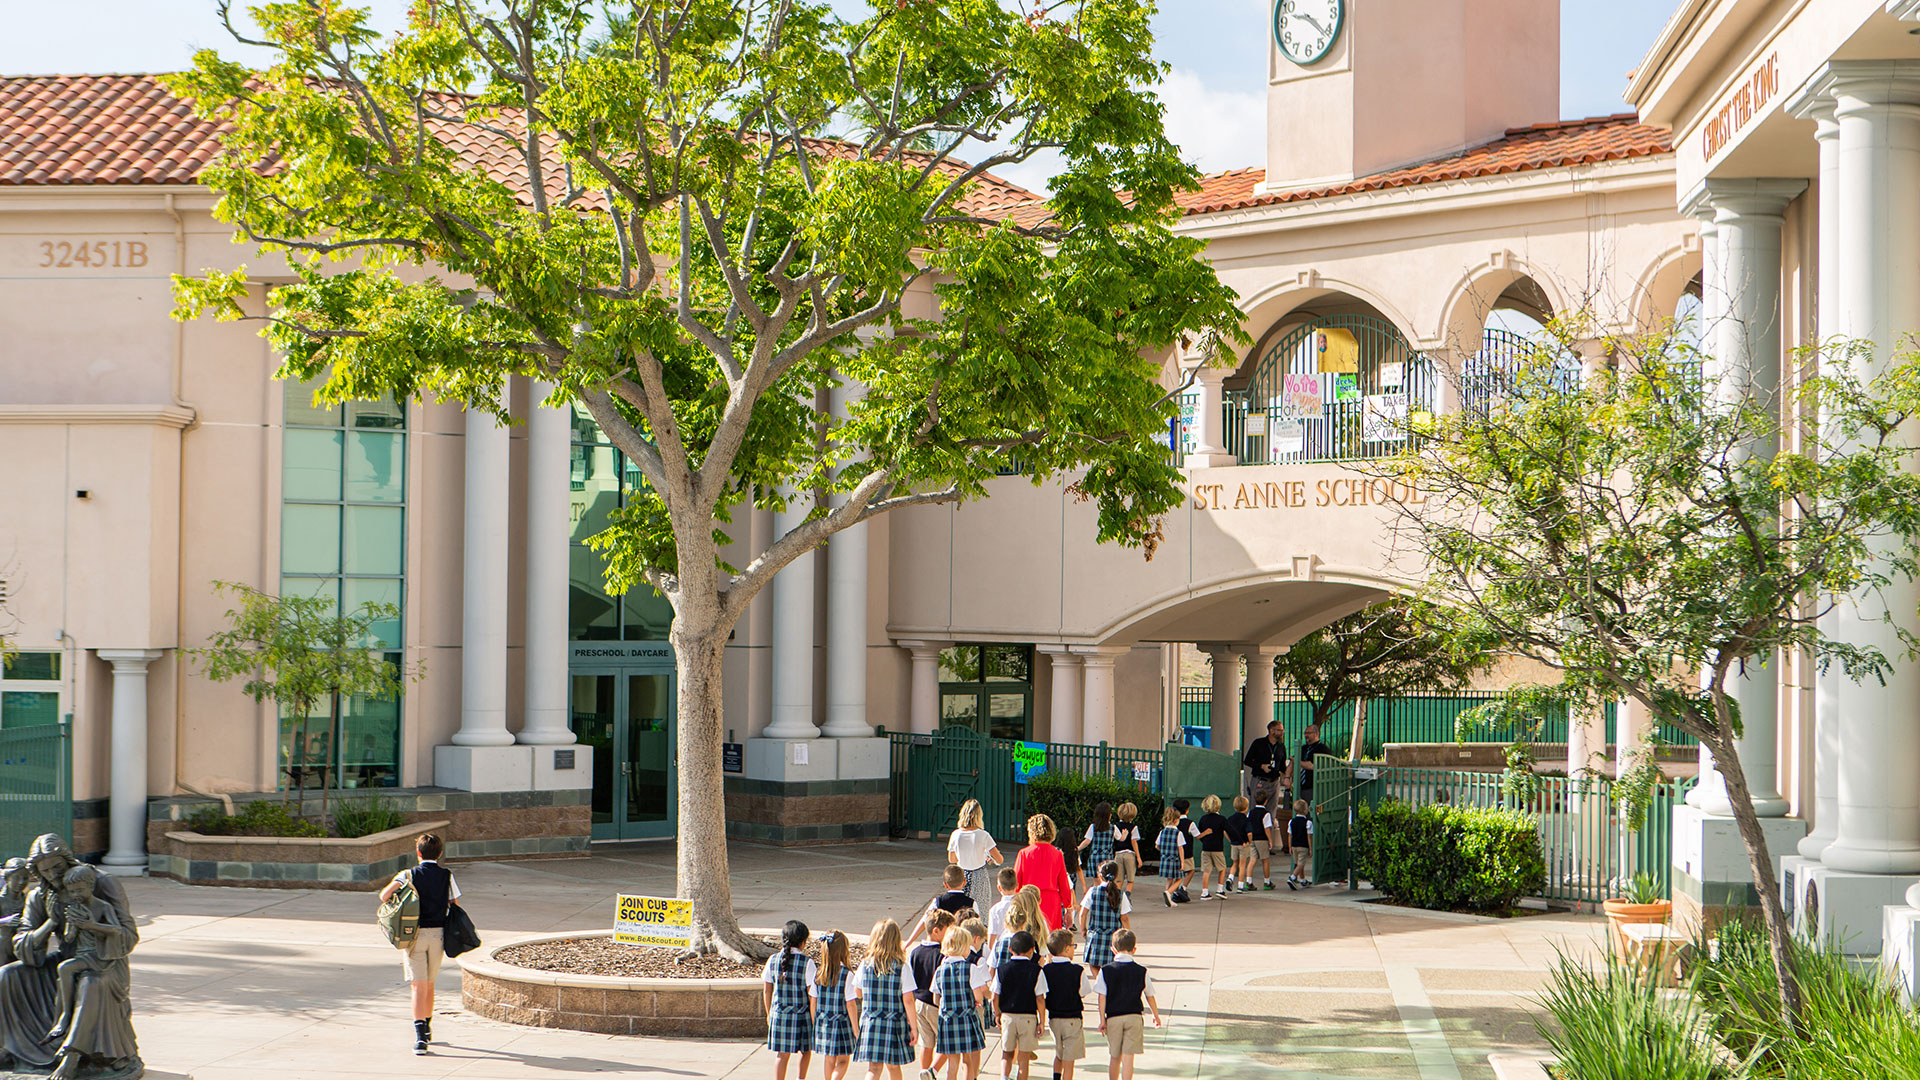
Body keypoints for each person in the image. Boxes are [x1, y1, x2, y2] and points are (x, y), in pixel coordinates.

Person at [41, 864, 136, 1080]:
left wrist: (92, 925)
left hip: (99, 957)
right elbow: (68, 938)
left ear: (91, 887)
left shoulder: (102, 907)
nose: (75, 895)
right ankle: (64, 1016)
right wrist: (69, 925)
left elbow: (116, 929)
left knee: (88, 982)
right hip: (82, 955)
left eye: (79, 890)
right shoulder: (74, 908)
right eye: (72, 892)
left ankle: (72, 1051)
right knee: (64, 968)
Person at [377, 832, 461, 1054]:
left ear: (418, 853)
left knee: (417, 985)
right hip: (439, 935)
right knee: (430, 984)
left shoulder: (408, 874)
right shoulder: (447, 875)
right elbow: (455, 903)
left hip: (414, 935)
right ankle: (428, 1027)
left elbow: (384, 896)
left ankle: (419, 1037)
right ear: (440, 853)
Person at [849, 918, 915, 1080]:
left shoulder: (865, 965)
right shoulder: (902, 967)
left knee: (874, 1068)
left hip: (871, 1022)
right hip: (894, 1023)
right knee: (893, 1066)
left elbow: (857, 992)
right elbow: (908, 1000)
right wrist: (914, 1027)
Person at [1093, 931, 1161, 1080]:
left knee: (1115, 1056)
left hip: (1113, 1018)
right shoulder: (1142, 971)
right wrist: (1156, 1015)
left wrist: (1102, 1019)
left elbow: (1102, 997)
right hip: (1134, 1017)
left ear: (1113, 949)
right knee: (1128, 1057)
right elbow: (1150, 995)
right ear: (1134, 950)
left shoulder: (1105, 970)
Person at [763, 920, 817, 1080]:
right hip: (802, 1016)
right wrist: (814, 1018)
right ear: (803, 942)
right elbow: (812, 994)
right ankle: (801, 1078)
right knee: (806, 1051)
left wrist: (768, 1013)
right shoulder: (807, 963)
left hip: (779, 1014)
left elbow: (767, 989)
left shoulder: (772, 960)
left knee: (782, 1054)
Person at [932, 927, 985, 1080]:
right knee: (967, 1059)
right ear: (963, 946)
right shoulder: (970, 969)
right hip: (966, 1019)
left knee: (952, 1060)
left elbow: (936, 998)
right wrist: (977, 1002)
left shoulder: (940, 970)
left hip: (948, 1020)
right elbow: (978, 995)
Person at [908, 910, 955, 1076]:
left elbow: (911, 981)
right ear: (936, 931)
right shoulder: (942, 955)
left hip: (919, 1003)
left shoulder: (915, 952)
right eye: (949, 930)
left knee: (926, 1043)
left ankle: (923, 1072)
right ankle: (932, 1071)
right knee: (948, 1042)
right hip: (936, 1003)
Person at [990, 931, 1043, 1080]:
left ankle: (1004, 1077)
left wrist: (997, 1014)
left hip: (1008, 1016)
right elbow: (1040, 998)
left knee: (1006, 1053)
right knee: (1024, 1058)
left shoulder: (1002, 970)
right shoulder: (1036, 971)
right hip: (1028, 1017)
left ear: (1010, 949)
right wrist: (1042, 1021)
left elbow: (995, 996)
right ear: (1032, 950)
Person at [1040, 929, 1089, 1080]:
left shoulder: (1046, 970)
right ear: (1067, 949)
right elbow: (1084, 991)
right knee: (1069, 1059)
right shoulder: (1077, 970)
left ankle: (1056, 1077)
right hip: (1073, 1018)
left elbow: (1041, 991)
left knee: (1059, 1053)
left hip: (1054, 1018)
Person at [1013, 815, 1072, 933]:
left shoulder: (1024, 853)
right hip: (1051, 901)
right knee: (1051, 940)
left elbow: (1016, 882)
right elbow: (1064, 883)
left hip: (1029, 900)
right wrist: (1068, 908)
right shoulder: (1057, 854)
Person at [949, 800, 1005, 915]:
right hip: (979, 875)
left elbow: (952, 859)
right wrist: (986, 856)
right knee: (981, 912)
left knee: (961, 912)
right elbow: (999, 860)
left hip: (961, 875)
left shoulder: (956, 834)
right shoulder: (983, 835)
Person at [815, 930, 857, 1080]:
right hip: (841, 1024)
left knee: (829, 1059)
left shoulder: (819, 974)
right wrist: (856, 1029)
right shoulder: (847, 975)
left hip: (824, 1022)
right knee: (843, 1060)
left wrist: (815, 1022)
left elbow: (814, 999)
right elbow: (851, 1004)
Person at [1075, 864, 1130, 972]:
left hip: (1096, 935)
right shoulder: (1120, 894)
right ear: (1117, 875)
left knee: (1093, 964)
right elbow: (1124, 918)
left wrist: (1083, 929)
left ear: (1100, 875)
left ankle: (1100, 982)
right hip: (1114, 937)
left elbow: (1083, 913)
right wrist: (1127, 934)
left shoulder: (1093, 892)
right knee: (1113, 965)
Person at [1242, 719, 1290, 824]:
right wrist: (1261, 766)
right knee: (1256, 811)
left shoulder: (1281, 746)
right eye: (1279, 730)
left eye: (1282, 730)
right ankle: (1254, 834)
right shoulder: (1258, 743)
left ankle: (1269, 836)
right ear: (1271, 731)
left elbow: (1282, 766)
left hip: (1274, 782)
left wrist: (1285, 776)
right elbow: (1247, 761)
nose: (1282, 733)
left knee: (1271, 812)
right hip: (1260, 781)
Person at [911, 867, 975, 945]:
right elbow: (976, 926)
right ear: (964, 882)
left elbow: (925, 920)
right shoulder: (972, 903)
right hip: (962, 944)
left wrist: (909, 941)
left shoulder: (938, 901)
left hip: (944, 943)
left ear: (945, 884)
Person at [1192, 796, 1231, 901]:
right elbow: (1229, 829)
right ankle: (1220, 889)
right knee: (1222, 869)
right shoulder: (1222, 819)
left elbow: (1199, 833)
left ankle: (1205, 892)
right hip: (1218, 848)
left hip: (1206, 848)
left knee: (1206, 870)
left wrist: (1204, 841)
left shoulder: (1203, 819)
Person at [1072, 803, 1114, 896]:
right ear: (1108, 815)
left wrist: (1078, 848)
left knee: (1096, 881)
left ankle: (1095, 898)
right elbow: (1120, 838)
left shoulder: (1093, 827)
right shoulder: (1113, 828)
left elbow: (1087, 841)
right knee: (1107, 881)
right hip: (1107, 858)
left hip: (1095, 857)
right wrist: (1124, 835)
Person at [1295, 723, 1337, 809]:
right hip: (1302, 785)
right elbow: (1293, 762)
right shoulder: (1303, 748)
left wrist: (1297, 761)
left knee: (1310, 810)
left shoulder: (1322, 749)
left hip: (1314, 786)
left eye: (1308, 733)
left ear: (1316, 734)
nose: (1306, 735)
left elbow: (1312, 766)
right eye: (1305, 733)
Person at [1154, 808, 1187, 908]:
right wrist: (1182, 862)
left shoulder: (1162, 832)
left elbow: (1157, 845)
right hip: (1175, 859)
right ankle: (1168, 892)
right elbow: (1180, 848)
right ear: (1176, 820)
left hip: (1165, 859)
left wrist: (1164, 851)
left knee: (1169, 879)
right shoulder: (1178, 833)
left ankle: (1167, 900)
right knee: (1179, 879)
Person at [985, 867, 1021, 953]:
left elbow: (992, 936)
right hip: (1020, 947)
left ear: (999, 888)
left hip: (1001, 949)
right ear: (1017, 886)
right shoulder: (1022, 906)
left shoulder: (995, 909)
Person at [1223, 798, 1254, 893]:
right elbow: (1249, 833)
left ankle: (1230, 878)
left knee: (1234, 863)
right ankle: (1240, 885)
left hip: (1234, 844)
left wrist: (1230, 839)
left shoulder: (1230, 818)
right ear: (1246, 808)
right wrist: (1250, 842)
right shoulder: (1246, 819)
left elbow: (1225, 830)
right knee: (1242, 865)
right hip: (1243, 844)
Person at [1110, 805, 1141, 896]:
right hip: (1129, 854)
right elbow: (1134, 842)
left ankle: (1117, 896)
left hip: (1118, 854)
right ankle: (1127, 896)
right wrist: (1138, 857)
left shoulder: (1115, 826)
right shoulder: (1134, 827)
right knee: (1130, 879)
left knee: (1119, 879)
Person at [1249, 800, 1277, 891]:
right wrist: (1270, 840)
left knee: (1252, 860)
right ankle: (1267, 882)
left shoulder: (1251, 812)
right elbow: (1267, 828)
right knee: (1265, 860)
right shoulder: (1266, 814)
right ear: (1265, 801)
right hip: (1262, 839)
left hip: (1252, 838)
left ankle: (1248, 881)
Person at [1287, 800, 1314, 889]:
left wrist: (1290, 846)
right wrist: (1311, 848)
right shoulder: (1308, 823)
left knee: (1298, 863)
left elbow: (1290, 835)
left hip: (1294, 845)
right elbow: (1309, 837)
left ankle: (1302, 880)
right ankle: (1293, 877)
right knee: (1301, 864)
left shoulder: (1291, 821)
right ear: (1306, 811)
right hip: (1303, 845)